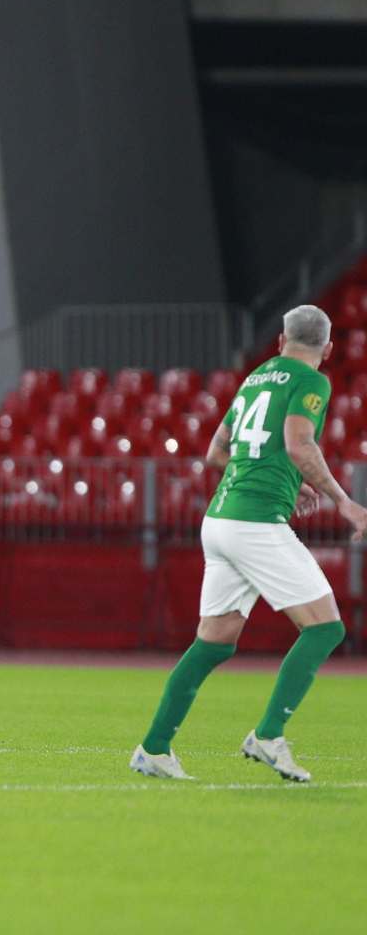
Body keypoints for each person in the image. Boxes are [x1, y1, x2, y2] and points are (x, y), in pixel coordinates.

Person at [132, 305, 367, 782]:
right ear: (329, 349)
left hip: (219, 519)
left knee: (214, 643)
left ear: (280, 341)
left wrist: (290, 484)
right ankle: (268, 736)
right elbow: (300, 443)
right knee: (325, 628)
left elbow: (218, 451)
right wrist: (343, 500)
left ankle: (154, 749)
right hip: (256, 523)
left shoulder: (257, 377)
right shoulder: (312, 381)